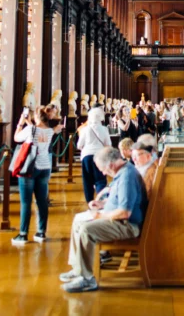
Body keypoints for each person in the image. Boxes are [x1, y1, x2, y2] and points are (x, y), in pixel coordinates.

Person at [60, 146, 148, 293]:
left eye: (102, 169)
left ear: (111, 165)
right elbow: (118, 199)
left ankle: (87, 279)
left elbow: (125, 212)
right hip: (117, 219)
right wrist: (102, 204)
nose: (102, 172)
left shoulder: (127, 177)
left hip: (127, 225)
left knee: (86, 230)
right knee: (78, 221)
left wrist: (101, 215)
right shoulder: (122, 172)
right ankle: (78, 268)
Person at [13, 106, 62, 246]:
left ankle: (23, 234)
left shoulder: (31, 129)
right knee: (41, 201)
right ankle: (41, 231)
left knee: (26, 202)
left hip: (30, 168)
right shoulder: (49, 131)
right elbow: (37, 132)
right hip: (45, 167)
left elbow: (16, 138)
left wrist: (21, 123)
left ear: (36, 116)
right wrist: (29, 123)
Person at [77, 107, 110, 203]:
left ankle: (90, 202)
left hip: (86, 156)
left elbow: (79, 145)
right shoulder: (104, 129)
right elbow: (108, 144)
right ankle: (101, 200)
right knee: (100, 179)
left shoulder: (85, 129)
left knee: (87, 180)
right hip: (100, 156)